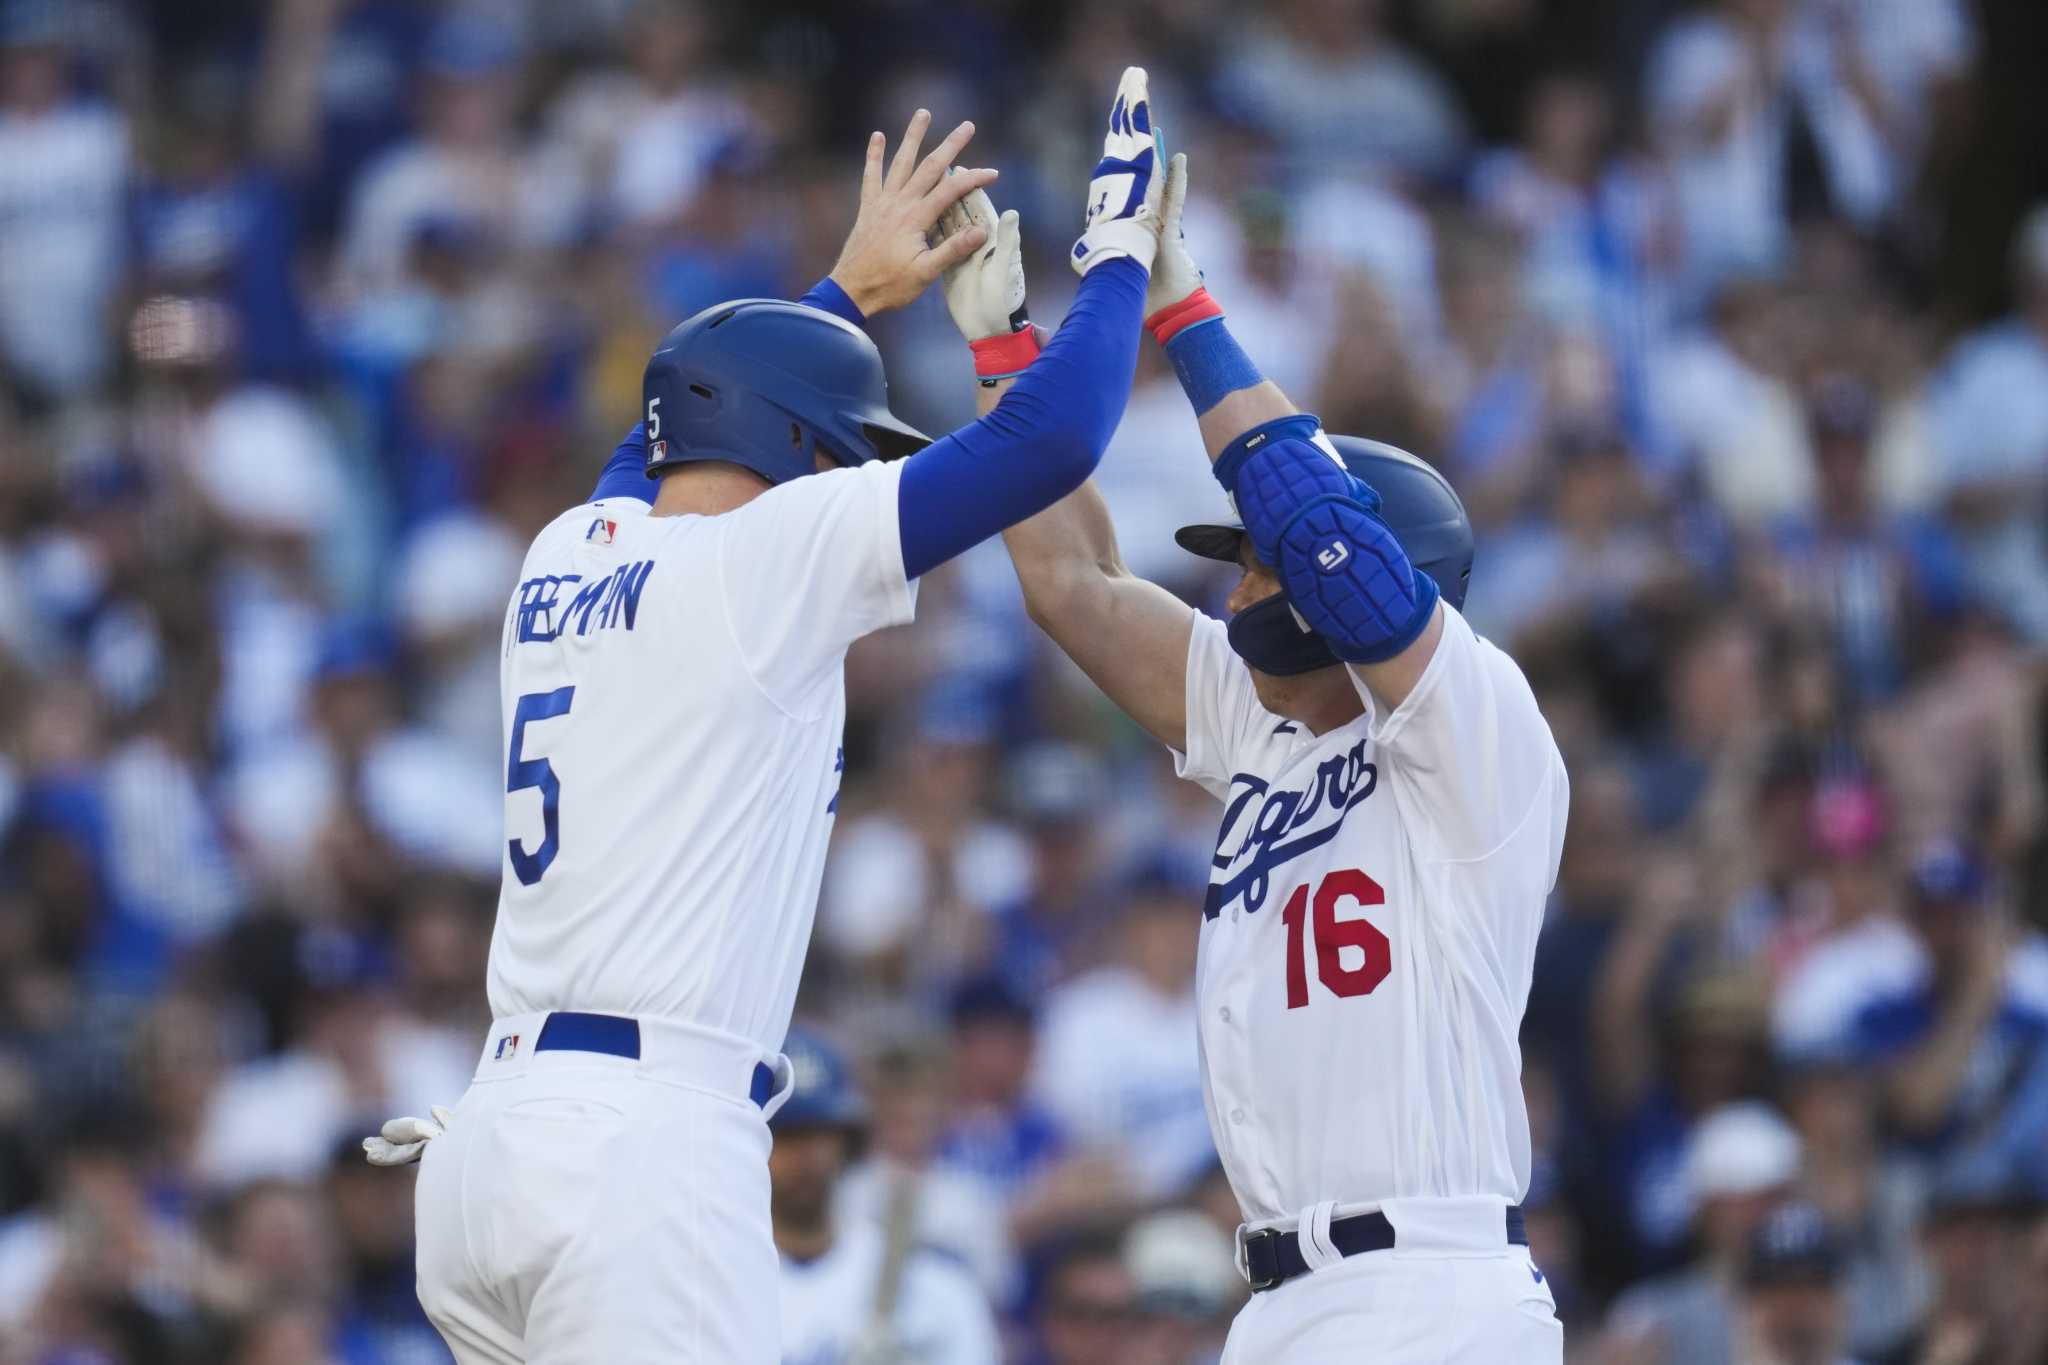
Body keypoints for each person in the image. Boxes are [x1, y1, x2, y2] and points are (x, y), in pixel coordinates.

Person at [361, 69, 1167, 1362]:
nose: (856, 466)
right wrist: (1123, 259)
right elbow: (1056, 440)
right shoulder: (767, 555)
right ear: (797, 448)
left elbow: (670, 434)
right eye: (845, 442)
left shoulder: (567, 546)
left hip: (487, 1152)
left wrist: (844, 289)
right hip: (643, 1150)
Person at [932, 143, 1568, 1359]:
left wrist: (1183, 311)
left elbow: (1323, 529)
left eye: (1256, 562)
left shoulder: (1470, 724)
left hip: (1427, 1287)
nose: (1234, 590)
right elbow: (1071, 582)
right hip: (1279, 1300)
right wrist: (1009, 350)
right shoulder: (1261, 729)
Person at [768, 1028, 999, 1365]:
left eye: (819, 1134)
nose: (806, 1156)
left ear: (847, 1141)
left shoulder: (931, 1285)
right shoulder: (710, 1283)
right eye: (785, 1135)